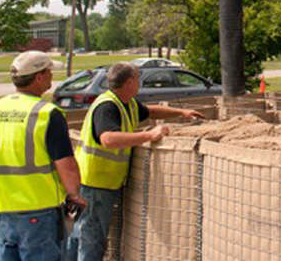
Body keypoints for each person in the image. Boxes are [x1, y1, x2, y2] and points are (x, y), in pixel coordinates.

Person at [67, 62, 204, 261]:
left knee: (81, 234)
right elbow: (108, 139)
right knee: (92, 238)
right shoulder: (107, 106)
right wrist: (148, 136)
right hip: (96, 183)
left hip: (100, 182)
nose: (139, 82)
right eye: (138, 77)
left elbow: (150, 111)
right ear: (129, 82)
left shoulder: (127, 103)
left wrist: (180, 113)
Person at [0, 50, 87, 261]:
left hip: (3, 209)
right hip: (40, 211)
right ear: (38, 77)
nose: (51, 76)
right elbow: (66, 165)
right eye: (49, 72)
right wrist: (75, 194)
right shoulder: (47, 113)